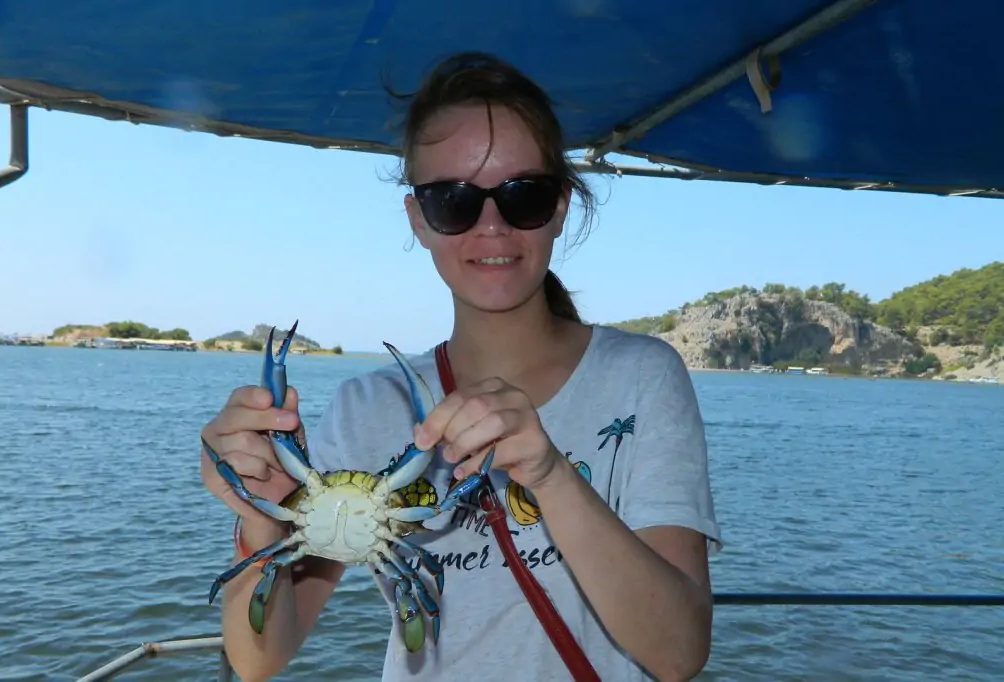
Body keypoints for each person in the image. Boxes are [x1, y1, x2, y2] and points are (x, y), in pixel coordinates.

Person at [200, 51, 722, 682]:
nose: (492, 226)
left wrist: (551, 474)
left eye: (522, 195)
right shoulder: (369, 408)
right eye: (453, 201)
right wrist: (258, 510)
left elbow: (678, 652)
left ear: (559, 206)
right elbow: (259, 659)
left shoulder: (642, 376)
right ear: (419, 219)